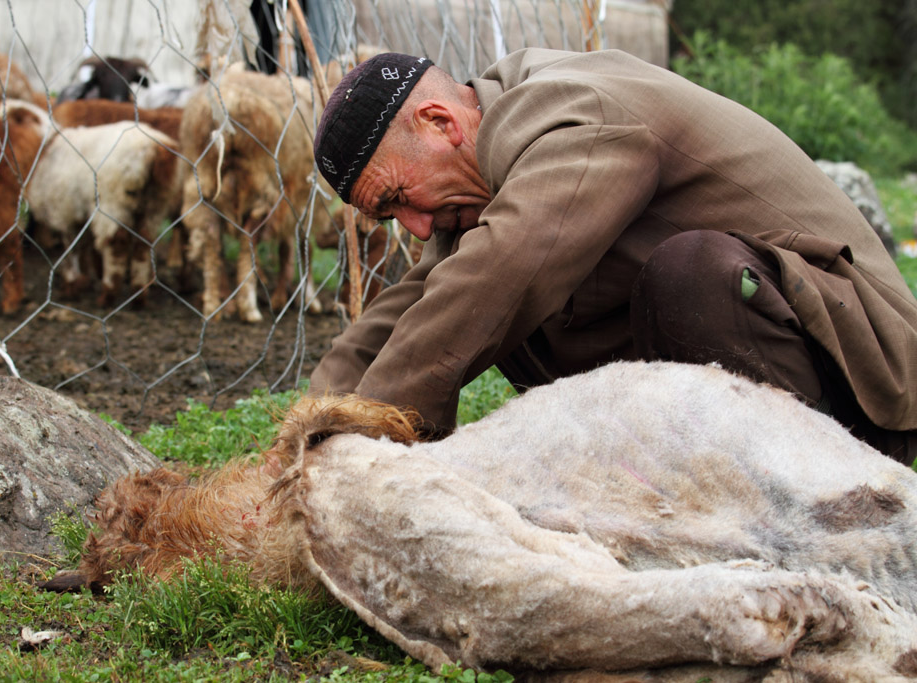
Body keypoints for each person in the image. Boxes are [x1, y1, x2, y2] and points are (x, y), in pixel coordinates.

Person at [308, 49, 917, 464]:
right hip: (765, 363)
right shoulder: (483, 165)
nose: (414, 229)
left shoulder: (571, 110)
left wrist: (375, 430)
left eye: (398, 197)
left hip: (859, 376)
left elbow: (506, 264)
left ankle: (815, 502)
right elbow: (425, 294)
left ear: (440, 123)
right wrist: (315, 430)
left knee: (682, 275)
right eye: (390, 218)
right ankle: (675, 493)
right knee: (476, 292)